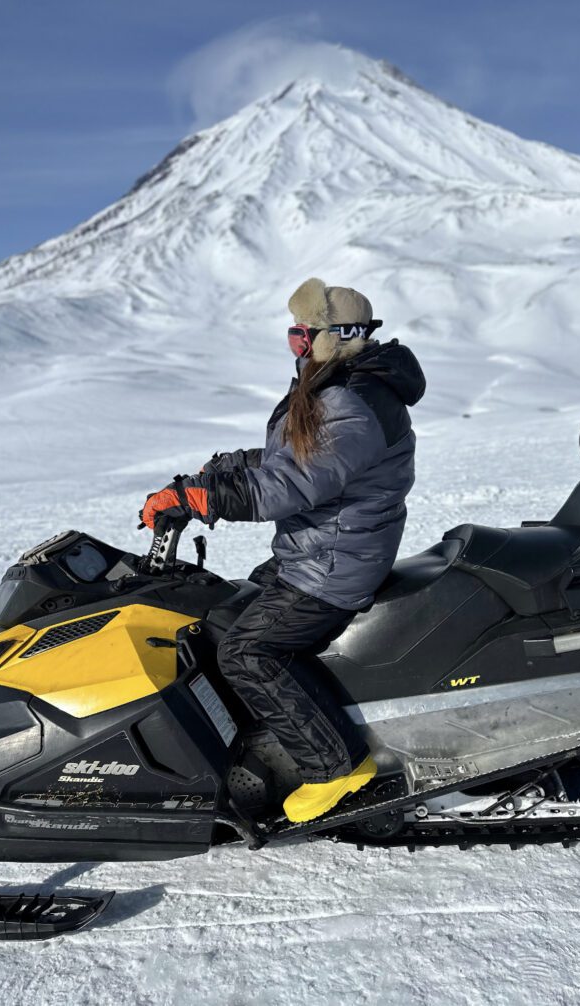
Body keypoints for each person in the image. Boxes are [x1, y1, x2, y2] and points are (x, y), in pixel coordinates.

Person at [141, 277, 425, 822]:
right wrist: (221, 471)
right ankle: (261, 741)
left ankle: (335, 766)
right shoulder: (344, 385)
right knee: (221, 612)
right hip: (318, 549)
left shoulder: (353, 401)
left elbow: (291, 485)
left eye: (301, 336)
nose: (293, 346)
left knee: (247, 652)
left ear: (333, 337)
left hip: (333, 565)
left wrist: (202, 498)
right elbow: (292, 456)